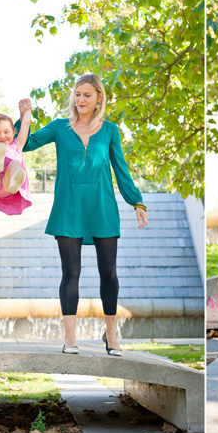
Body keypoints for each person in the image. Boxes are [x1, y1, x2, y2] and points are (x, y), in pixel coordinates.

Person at [21, 73, 148, 356]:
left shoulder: (110, 130)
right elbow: (26, 144)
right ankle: (70, 338)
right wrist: (25, 117)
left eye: (87, 95)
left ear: (99, 97)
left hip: (102, 207)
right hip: (68, 208)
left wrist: (136, 202)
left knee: (109, 273)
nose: (80, 100)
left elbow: (121, 170)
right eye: (77, 94)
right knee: (71, 273)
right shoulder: (59, 128)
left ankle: (112, 337)